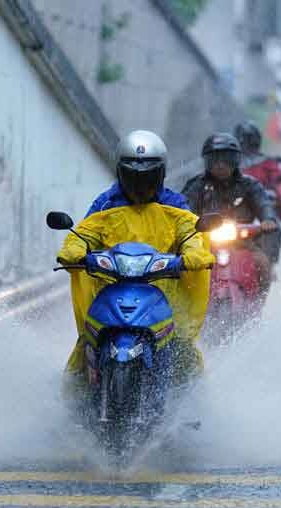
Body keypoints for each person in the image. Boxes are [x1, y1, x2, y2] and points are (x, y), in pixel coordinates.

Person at [57, 130, 215, 388]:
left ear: (161, 174)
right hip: (111, 290)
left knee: (185, 350)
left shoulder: (175, 204)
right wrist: (74, 249)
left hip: (165, 296)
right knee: (86, 344)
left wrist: (194, 254)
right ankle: (70, 403)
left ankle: (195, 402)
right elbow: (84, 233)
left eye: (148, 177)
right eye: (133, 176)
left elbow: (191, 234)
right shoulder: (106, 204)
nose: (140, 184)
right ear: (120, 173)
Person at [182, 132, 280, 290]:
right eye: (215, 159)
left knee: (262, 264)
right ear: (207, 161)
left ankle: (256, 309)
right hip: (202, 245)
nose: (220, 165)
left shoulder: (250, 184)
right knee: (182, 269)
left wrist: (268, 219)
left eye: (226, 159)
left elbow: (264, 204)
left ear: (235, 160)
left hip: (244, 243)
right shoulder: (196, 185)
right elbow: (184, 208)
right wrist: (188, 224)